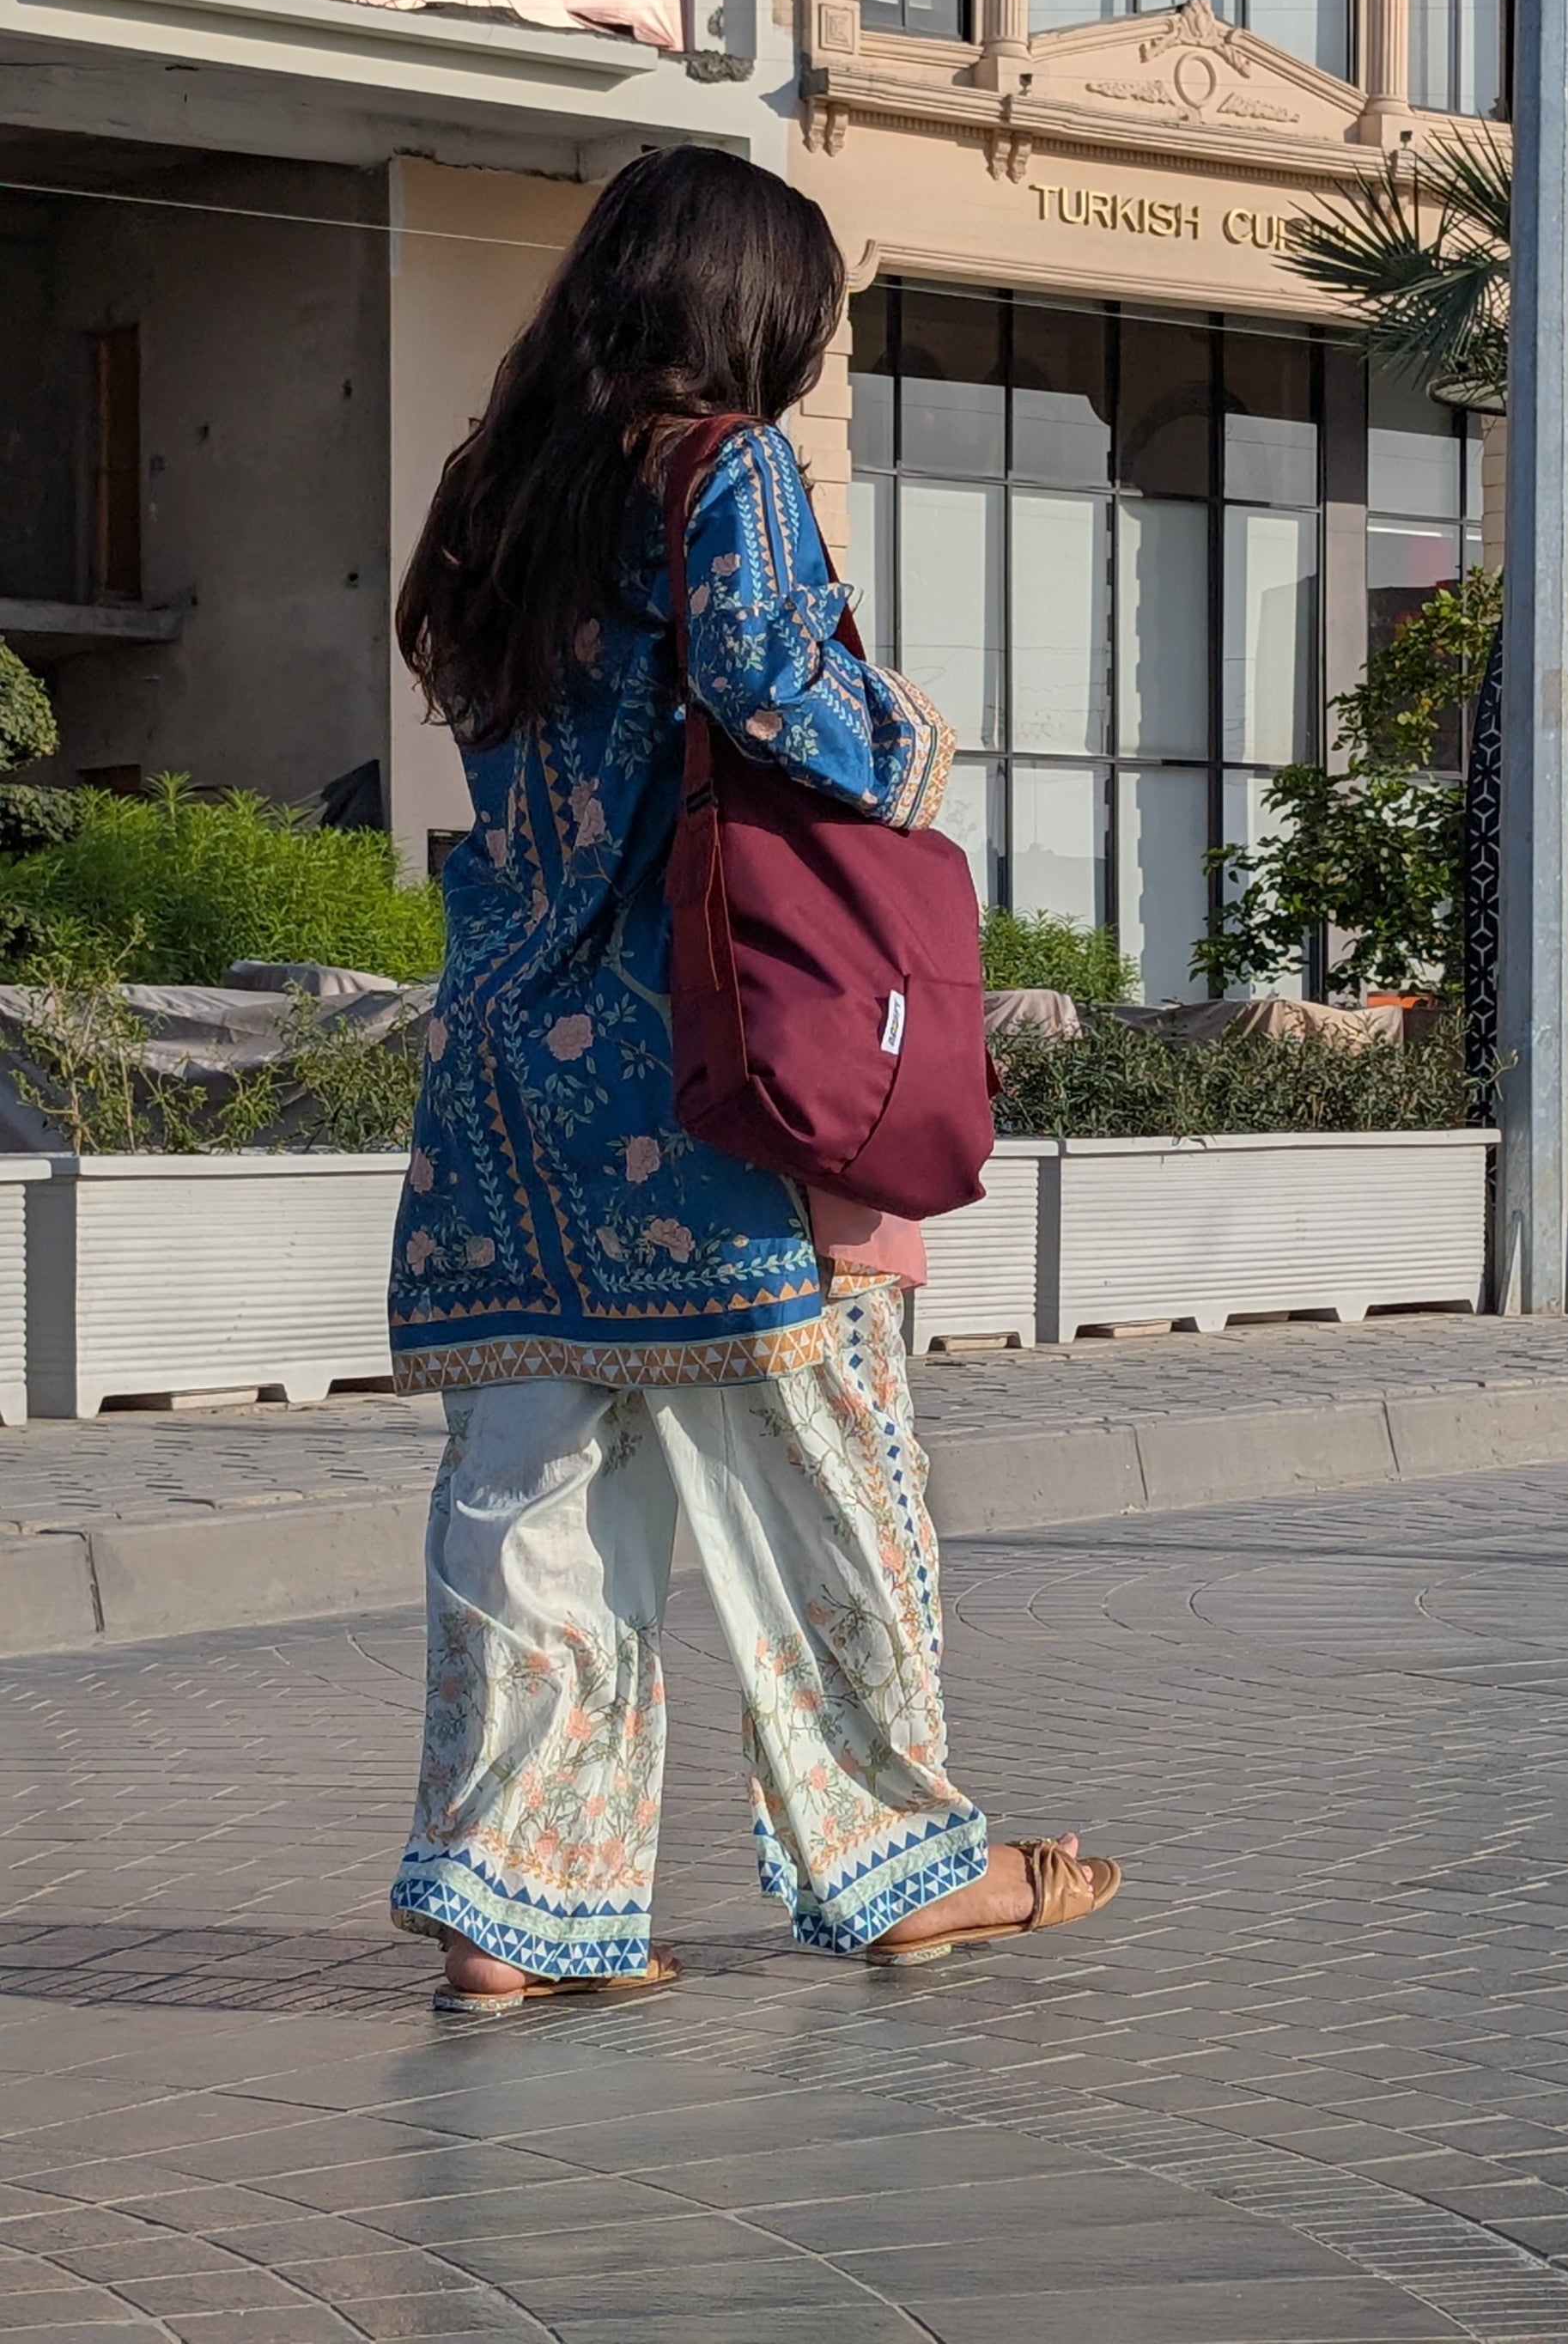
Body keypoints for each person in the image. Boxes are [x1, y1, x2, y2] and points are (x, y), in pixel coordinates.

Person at [386, 145, 1120, 2014]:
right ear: (747, 310)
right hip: (703, 1075)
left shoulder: (494, 496)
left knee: (530, 1501)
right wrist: (916, 751)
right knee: (827, 1475)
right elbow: (774, 685)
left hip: (502, 1074)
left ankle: (508, 1912)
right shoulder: (724, 466)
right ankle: (905, 1868)